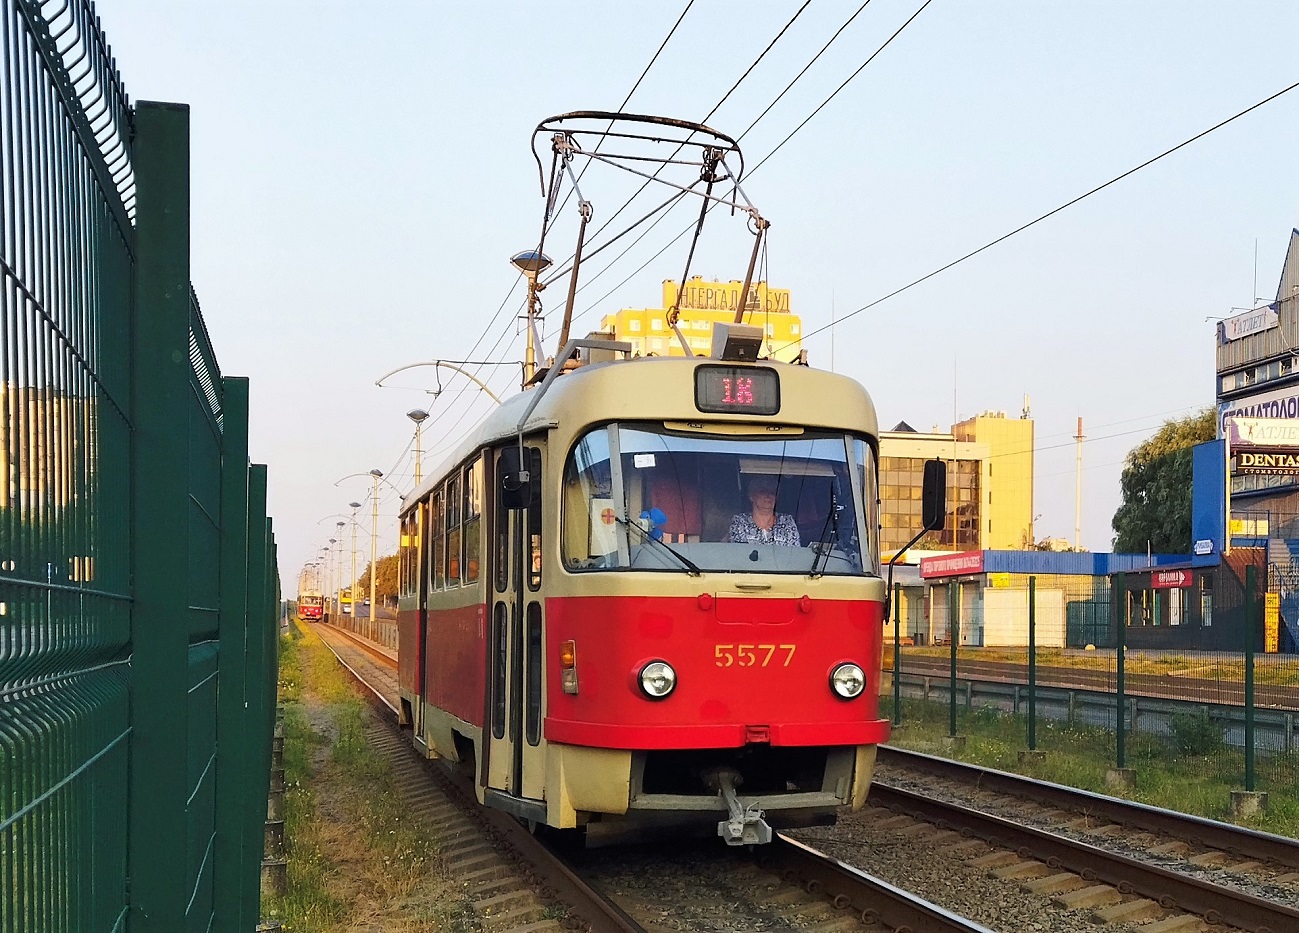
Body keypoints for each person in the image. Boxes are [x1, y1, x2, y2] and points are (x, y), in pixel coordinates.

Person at [727, 474, 800, 546]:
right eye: (763, 491)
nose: (768, 496)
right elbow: (736, 552)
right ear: (752, 496)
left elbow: (795, 553)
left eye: (772, 492)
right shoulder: (740, 521)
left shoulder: (787, 522)